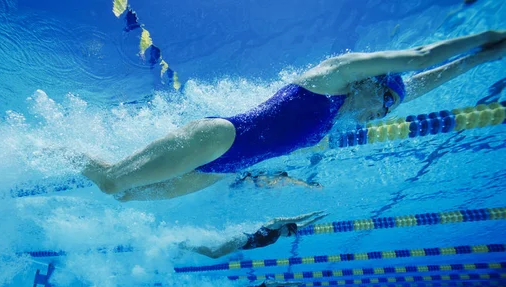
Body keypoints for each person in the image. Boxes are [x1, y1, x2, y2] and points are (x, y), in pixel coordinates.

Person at [82, 30, 506, 201]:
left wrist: (477, 62)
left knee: (127, 198)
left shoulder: (345, 112)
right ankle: (47, 151)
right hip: (213, 140)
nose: (383, 115)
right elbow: (421, 58)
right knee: (111, 180)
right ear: (372, 83)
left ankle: (59, 172)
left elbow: (425, 79)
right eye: (388, 103)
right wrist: (489, 38)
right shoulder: (332, 78)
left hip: (220, 170)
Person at [180, 211, 326, 258]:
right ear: (286, 227)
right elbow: (296, 220)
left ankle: (186, 244)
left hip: (241, 244)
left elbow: (302, 225)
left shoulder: (279, 233)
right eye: (289, 234)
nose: (288, 236)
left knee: (212, 249)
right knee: (214, 254)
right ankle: (185, 246)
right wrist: (314, 213)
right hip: (242, 239)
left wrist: (319, 218)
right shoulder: (274, 223)